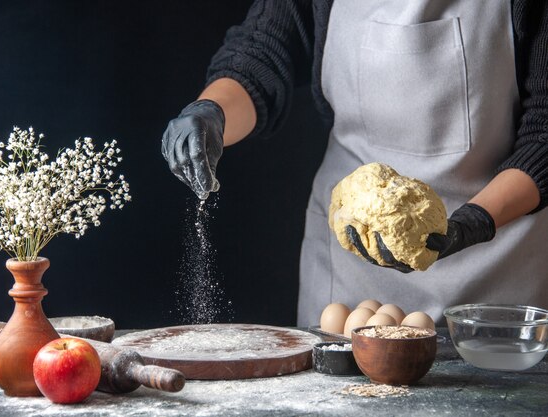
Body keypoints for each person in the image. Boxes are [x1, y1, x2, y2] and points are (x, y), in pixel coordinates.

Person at [161, 0, 548, 326]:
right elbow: (262, 48)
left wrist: (475, 222)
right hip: (351, 280)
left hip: (496, 270)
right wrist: (211, 114)